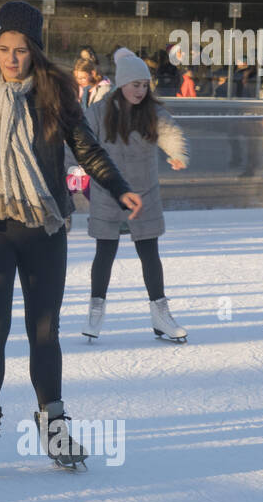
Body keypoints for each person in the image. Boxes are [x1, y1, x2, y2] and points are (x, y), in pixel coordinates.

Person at [0, 2, 140, 470]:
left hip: (43, 227)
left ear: (35, 51)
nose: (11, 59)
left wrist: (118, 185)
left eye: (21, 50)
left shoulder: (55, 96)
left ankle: (53, 429)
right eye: (3, 49)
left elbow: (86, 149)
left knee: (44, 331)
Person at [79, 49, 191, 341]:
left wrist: (176, 153)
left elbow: (169, 132)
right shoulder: (99, 112)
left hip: (145, 193)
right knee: (105, 252)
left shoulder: (152, 112)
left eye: (144, 85)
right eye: (135, 85)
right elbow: (78, 140)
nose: (140, 91)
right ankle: (95, 311)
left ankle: (161, 316)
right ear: (121, 84)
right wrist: (72, 168)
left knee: (149, 253)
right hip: (108, 193)